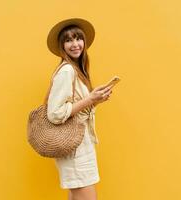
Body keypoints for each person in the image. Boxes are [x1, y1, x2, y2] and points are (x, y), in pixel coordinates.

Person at [46, 18, 112, 200]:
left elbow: (75, 107)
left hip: (80, 144)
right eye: (68, 40)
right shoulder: (67, 71)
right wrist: (90, 98)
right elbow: (54, 113)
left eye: (78, 38)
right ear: (62, 46)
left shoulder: (76, 70)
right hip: (74, 147)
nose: (75, 44)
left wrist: (95, 100)